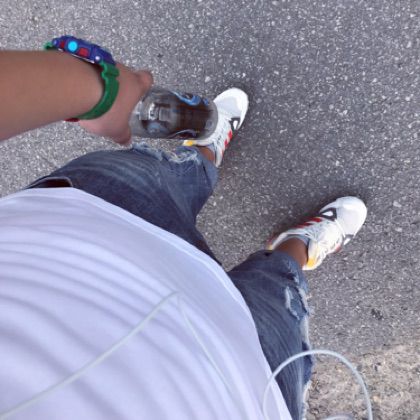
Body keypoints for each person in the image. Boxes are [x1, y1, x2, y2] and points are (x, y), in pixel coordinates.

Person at [0, 41, 367, 420]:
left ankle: (204, 153)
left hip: (80, 230)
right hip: (250, 385)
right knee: (278, 284)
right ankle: (294, 247)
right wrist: (94, 88)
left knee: (172, 177)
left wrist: (98, 89)